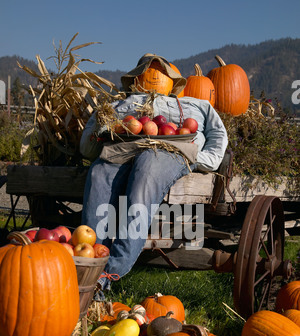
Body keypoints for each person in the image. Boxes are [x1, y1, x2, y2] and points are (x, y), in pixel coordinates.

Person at [80, 54, 228, 298]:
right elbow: (88, 146)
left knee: (147, 170)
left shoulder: (196, 105)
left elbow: (218, 134)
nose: (153, 75)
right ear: (136, 79)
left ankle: (109, 272)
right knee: (99, 173)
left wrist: (199, 158)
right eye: (147, 71)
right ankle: (88, 266)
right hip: (123, 147)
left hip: (168, 149)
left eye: (160, 72)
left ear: (172, 80)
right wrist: (105, 129)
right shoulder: (120, 104)